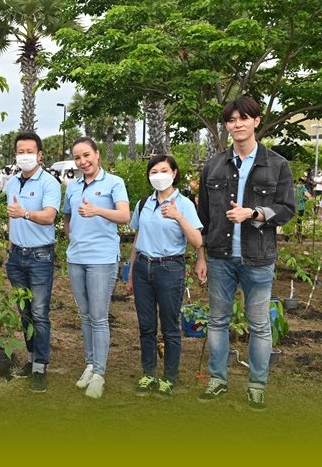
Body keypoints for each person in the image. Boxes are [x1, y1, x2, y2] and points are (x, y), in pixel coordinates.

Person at [195, 97, 294, 411]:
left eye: (243, 118)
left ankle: (256, 385)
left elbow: (287, 209)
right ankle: (218, 380)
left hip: (258, 258)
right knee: (217, 321)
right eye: (231, 119)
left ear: (256, 121)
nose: (237, 124)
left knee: (260, 324)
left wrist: (254, 213)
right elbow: (204, 216)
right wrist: (202, 254)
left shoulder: (277, 164)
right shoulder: (213, 164)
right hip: (221, 256)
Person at [125, 155, 203, 398]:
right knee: (146, 326)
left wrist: (178, 217)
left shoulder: (185, 205)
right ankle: (148, 373)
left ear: (174, 173)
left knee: (169, 327)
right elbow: (137, 238)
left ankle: (169, 378)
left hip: (169, 269)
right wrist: (130, 271)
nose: (158, 175)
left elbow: (197, 241)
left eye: (164, 170)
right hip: (143, 269)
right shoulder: (144, 203)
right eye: (154, 171)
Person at [63, 137, 130, 399]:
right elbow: (67, 216)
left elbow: (125, 216)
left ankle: (100, 373)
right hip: (76, 258)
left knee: (100, 317)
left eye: (87, 155)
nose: (83, 161)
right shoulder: (72, 186)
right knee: (85, 315)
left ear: (97, 154)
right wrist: (73, 238)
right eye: (78, 158)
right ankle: (90, 365)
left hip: (102, 258)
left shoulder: (114, 183)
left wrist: (98, 211)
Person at [4, 132, 60, 392]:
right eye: (20, 152)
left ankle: (40, 367)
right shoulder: (13, 183)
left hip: (40, 256)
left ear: (40, 155)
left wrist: (24, 213)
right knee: (24, 311)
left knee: (39, 313)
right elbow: (9, 218)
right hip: (16, 256)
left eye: (29, 151)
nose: (24, 156)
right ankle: (29, 358)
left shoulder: (50, 183)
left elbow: (49, 217)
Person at [295, 177, 312, 241]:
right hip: (300, 207)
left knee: (292, 221)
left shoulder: (291, 187)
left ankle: (288, 236)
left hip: (292, 207)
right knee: (299, 223)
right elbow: (309, 196)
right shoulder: (302, 187)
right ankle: (299, 237)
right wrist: (307, 199)